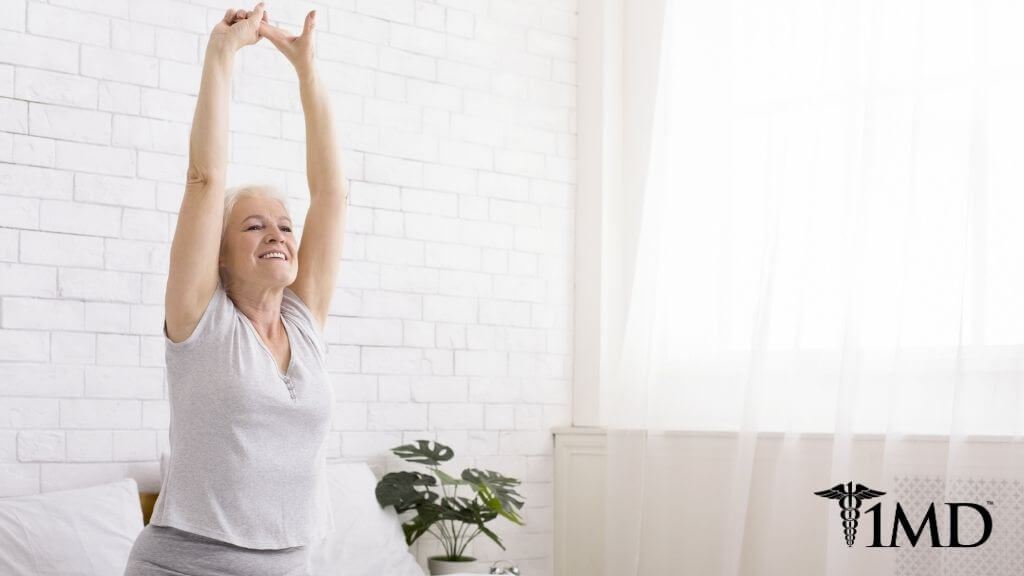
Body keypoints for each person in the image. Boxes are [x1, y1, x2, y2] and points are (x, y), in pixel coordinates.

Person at [123, 3, 348, 575]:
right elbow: (205, 179)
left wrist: (308, 72)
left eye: (284, 225)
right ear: (219, 255)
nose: (277, 234)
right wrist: (222, 54)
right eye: (253, 226)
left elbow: (331, 195)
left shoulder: (303, 321)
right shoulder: (201, 319)